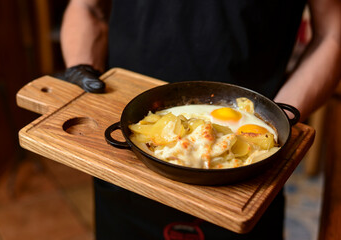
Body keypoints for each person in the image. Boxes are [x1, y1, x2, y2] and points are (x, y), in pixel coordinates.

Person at [60, 0, 341, 239]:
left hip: (246, 177)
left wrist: (276, 115)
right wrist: (83, 70)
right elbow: (86, 7)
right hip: (126, 158)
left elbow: (332, 32)